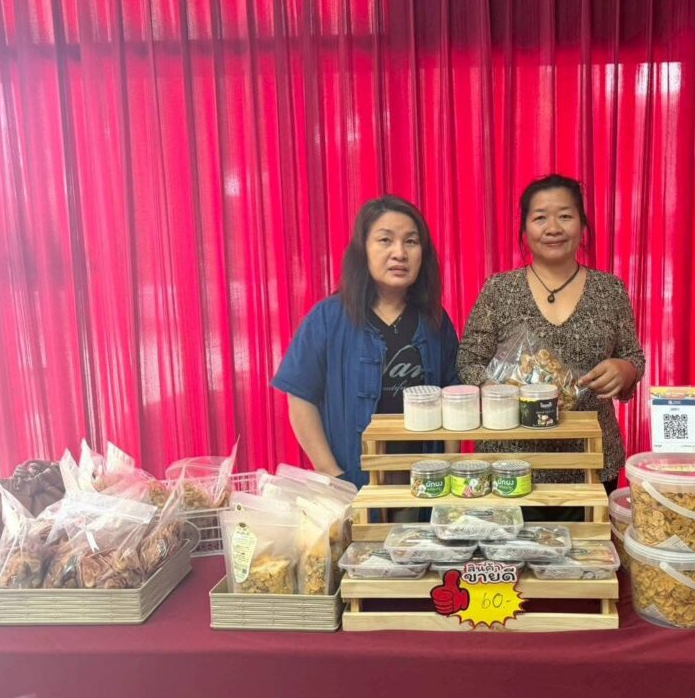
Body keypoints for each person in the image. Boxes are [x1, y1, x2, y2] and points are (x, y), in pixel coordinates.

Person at [457, 174, 646, 498]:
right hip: (509, 462)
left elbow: (633, 357)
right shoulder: (499, 290)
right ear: (524, 229)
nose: (553, 228)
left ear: (582, 226)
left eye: (565, 216)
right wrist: (503, 392)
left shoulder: (610, 290)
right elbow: (468, 361)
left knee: (590, 533)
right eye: (540, 217)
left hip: (591, 459)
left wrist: (625, 370)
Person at [272, 195, 459, 488]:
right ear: (363, 250)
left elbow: (453, 397)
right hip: (353, 481)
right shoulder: (328, 317)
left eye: (411, 241)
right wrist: (330, 472)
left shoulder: (435, 321)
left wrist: (449, 469)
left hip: (425, 483)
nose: (400, 253)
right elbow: (300, 396)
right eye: (385, 240)